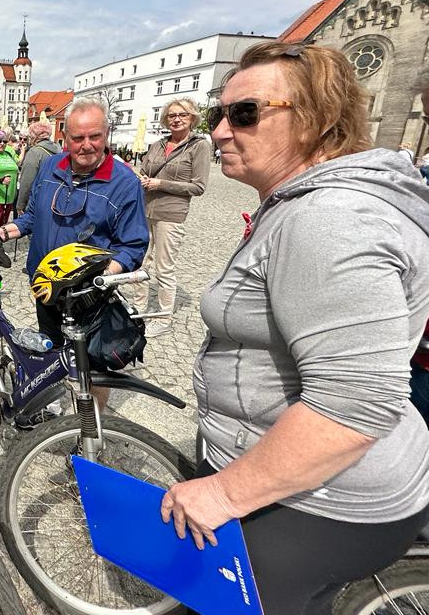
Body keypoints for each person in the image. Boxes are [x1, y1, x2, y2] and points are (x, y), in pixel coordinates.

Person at [158, 42, 429, 614]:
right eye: (218, 114)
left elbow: (355, 404)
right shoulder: (306, 204)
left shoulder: (329, 219)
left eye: (245, 114)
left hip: (318, 502)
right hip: (308, 486)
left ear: (316, 119)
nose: (220, 132)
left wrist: (225, 492)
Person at [0, 99, 148, 344]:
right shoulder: (50, 166)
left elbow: (133, 246)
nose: (86, 146)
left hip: (89, 296)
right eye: (78, 138)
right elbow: (33, 217)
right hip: (46, 283)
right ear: (65, 137)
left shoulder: (125, 183)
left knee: (91, 372)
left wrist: (101, 278)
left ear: (107, 134)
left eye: (95, 137)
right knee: (51, 354)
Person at [130, 98, 210, 337]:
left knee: (164, 268)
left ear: (192, 118)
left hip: (171, 214)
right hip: (144, 210)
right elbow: (144, 171)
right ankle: (137, 309)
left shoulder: (199, 146)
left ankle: (163, 317)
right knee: (140, 263)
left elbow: (198, 187)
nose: (176, 119)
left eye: (182, 115)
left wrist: (160, 184)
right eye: (172, 115)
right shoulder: (157, 144)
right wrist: (142, 179)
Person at [15, 121, 60, 215]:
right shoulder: (58, 150)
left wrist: (20, 205)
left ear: (34, 137)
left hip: (35, 202)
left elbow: (27, 181)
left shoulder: (35, 152)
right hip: (53, 200)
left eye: (30, 137)